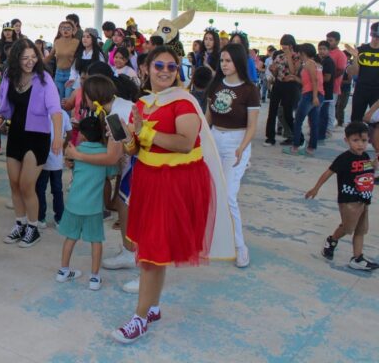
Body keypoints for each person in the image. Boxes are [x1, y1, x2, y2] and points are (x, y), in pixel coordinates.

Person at [109, 46, 226, 344]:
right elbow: (137, 148)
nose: (164, 71)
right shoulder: (143, 103)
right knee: (152, 252)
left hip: (174, 183)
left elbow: (185, 143)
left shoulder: (184, 102)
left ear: (178, 71)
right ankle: (153, 308)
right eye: (158, 65)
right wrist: (127, 139)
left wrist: (145, 134)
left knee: (151, 254)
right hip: (149, 180)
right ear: (146, 68)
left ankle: (140, 318)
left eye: (171, 67)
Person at [0, 38, 63, 248]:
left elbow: (56, 110)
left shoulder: (44, 79)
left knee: (27, 185)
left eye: (33, 57)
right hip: (15, 134)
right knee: (14, 183)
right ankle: (20, 223)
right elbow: (5, 102)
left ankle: (33, 228)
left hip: (37, 137)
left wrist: (58, 137)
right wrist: (1, 116)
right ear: (16, 58)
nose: (30, 61)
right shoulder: (9, 76)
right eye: (25, 58)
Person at [205, 43, 260, 268]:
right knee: (210, 193)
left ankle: (239, 246)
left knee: (228, 196)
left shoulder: (249, 89)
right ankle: (212, 240)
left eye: (228, 61)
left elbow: (252, 125)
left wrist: (242, 148)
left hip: (236, 143)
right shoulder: (216, 84)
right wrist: (199, 139)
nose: (224, 65)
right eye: (222, 61)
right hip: (214, 139)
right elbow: (208, 116)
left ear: (238, 62)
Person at [305, 122, 377, 271]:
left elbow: (368, 169)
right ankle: (332, 240)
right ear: (347, 140)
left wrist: (375, 163)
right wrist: (316, 188)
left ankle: (357, 258)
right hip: (348, 201)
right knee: (347, 228)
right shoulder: (344, 158)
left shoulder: (364, 156)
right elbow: (328, 172)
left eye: (363, 141)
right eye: (355, 140)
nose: (360, 144)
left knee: (360, 230)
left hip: (363, 199)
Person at [56, 116, 117, 291]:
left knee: (71, 238)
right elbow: (111, 174)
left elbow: (71, 164)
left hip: (74, 204)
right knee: (96, 241)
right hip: (94, 207)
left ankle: (63, 271)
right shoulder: (105, 153)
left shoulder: (77, 150)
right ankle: (94, 278)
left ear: (81, 134)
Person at [283, 43, 323, 156]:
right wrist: (294, 78)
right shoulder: (315, 64)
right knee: (314, 122)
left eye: (299, 52)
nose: (298, 54)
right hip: (316, 93)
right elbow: (308, 82)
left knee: (298, 121)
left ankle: (295, 147)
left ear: (303, 53)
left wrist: (314, 96)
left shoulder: (309, 63)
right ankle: (311, 148)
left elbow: (314, 81)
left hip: (310, 95)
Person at [36, 109, 71, 228]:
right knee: (53, 189)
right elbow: (69, 132)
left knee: (45, 189)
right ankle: (51, 217)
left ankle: (46, 218)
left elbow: (69, 132)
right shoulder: (62, 113)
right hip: (50, 158)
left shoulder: (56, 113)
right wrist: (63, 146)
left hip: (49, 158)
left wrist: (63, 146)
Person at [264, 35, 300, 147]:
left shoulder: (297, 57)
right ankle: (270, 137)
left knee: (287, 112)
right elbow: (275, 72)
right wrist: (273, 70)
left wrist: (289, 56)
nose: (284, 47)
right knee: (272, 111)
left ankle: (295, 135)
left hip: (290, 85)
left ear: (291, 45)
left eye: (286, 45)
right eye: (283, 45)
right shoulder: (279, 56)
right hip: (278, 84)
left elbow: (294, 72)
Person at [347, 22, 379, 123]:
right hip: (361, 89)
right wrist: (356, 57)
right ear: (371, 34)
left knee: (376, 120)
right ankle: (355, 137)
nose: (377, 39)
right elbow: (354, 72)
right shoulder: (361, 50)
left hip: (377, 90)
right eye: (375, 36)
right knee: (356, 119)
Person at [44, 20, 79, 99]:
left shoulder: (77, 42)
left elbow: (80, 58)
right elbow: (50, 56)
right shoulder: (57, 41)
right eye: (63, 28)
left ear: (73, 30)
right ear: (60, 30)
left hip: (71, 74)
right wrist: (38, 63)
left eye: (68, 28)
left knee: (67, 100)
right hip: (58, 73)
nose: (65, 30)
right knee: (58, 99)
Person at [66, 28, 105, 94]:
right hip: (78, 85)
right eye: (83, 36)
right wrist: (72, 79)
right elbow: (74, 69)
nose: (84, 39)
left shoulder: (98, 54)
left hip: (92, 86)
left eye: (88, 37)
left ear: (94, 39)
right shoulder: (80, 53)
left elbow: (102, 71)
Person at [326, 31, 347, 133]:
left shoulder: (341, 54)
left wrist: (329, 78)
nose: (328, 42)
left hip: (333, 86)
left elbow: (341, 70)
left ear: (337, 41)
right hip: (322, 86)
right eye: (327, 40)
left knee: (330, 108)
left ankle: (329, 129)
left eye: (330, 40)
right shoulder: (325, 51)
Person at [317, 41, 336, 142]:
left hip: (326, 93)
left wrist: (315, 80)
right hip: (321, 92)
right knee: (320, 114)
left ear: (329, 50)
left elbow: (327, 78)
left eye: (324, 49)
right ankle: (319, 133)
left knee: (323, 115)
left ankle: (321, 135)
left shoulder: (328, 62)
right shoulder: (322, 61)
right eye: (320, 49)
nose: (321, 51)